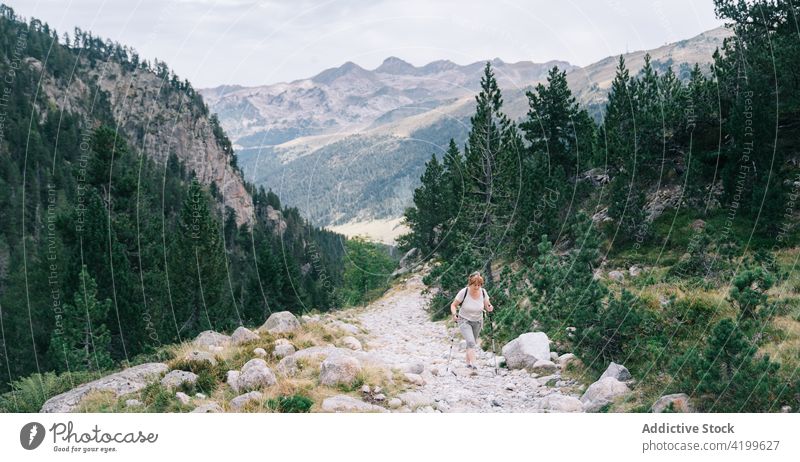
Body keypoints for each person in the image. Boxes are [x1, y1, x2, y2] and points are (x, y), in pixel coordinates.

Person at [450, 271, 493, 369]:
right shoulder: (464, 292)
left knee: (472, 342)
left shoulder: (483, 292)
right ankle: (474, 365)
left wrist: (490, 307)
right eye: (475, 285)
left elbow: (487, 304)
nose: (477, 287)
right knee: (470, 342)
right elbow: (453, 305)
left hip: (478, 321)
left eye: (479, 285)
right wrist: (454, 314)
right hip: (464, 320)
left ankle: (468, 363)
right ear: (470, 284)